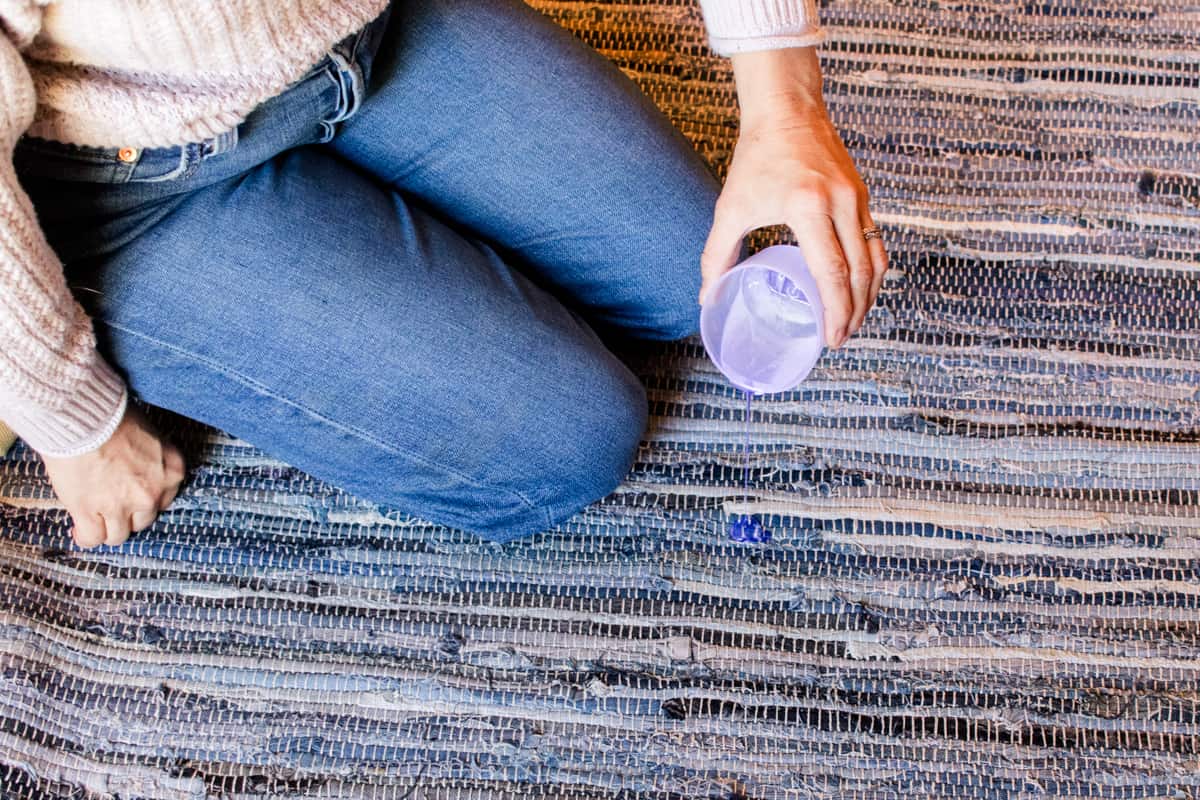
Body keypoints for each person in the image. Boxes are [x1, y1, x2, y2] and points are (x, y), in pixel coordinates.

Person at [0, 0, 887, 549]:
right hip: (121, 175)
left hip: (365, 30)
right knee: (567, 442)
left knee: (682, 265)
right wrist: (72, 419)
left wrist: (784, 108)